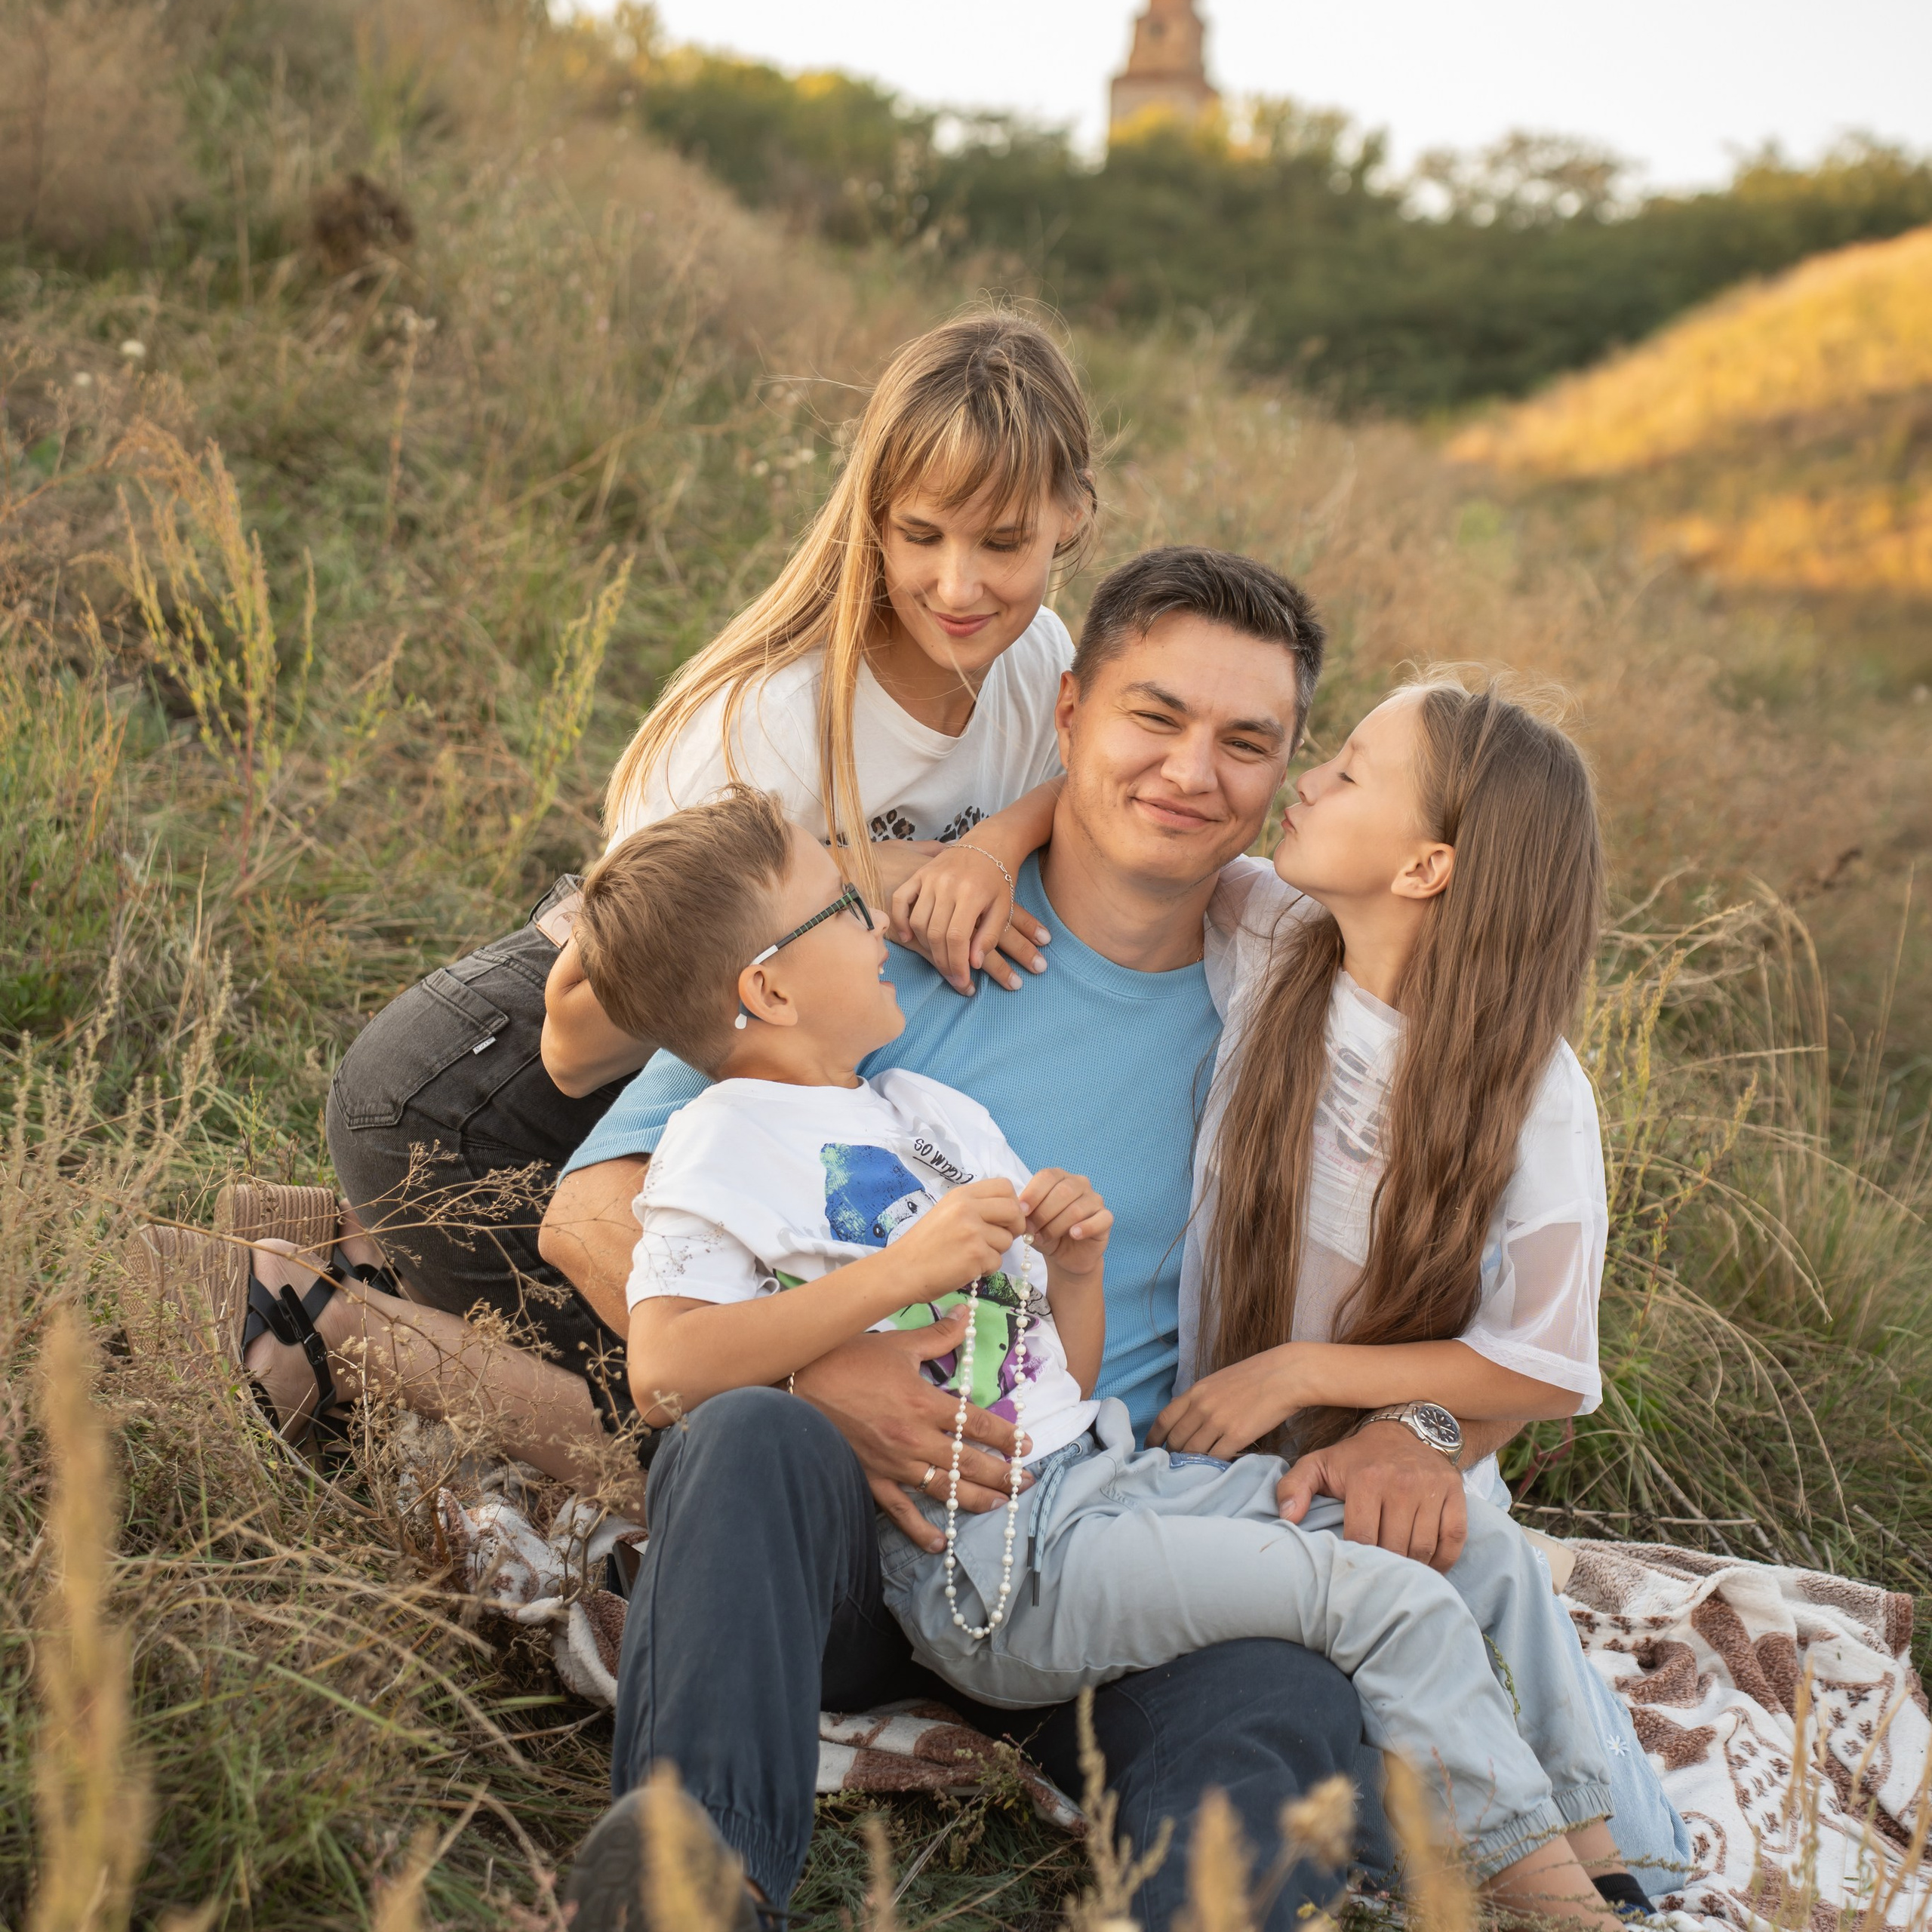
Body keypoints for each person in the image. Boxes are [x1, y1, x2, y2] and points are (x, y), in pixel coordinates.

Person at [545, 546, 1443, 1930]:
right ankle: (689, 1891)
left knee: (1283, 1697)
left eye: (1246, 742)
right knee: (743, 1441)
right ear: (1070, 709)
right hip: (865, 1533)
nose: (1192, 774)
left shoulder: (1298, 1000)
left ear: (1285, 774)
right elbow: (594, 1206)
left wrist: (1418, 1433)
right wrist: (814, 1374)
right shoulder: (863, 968)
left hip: (1104, 1535)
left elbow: (1473, 1267)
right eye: (1156, 717)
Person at [575, 779, 1638, 1932]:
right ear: (767, 985)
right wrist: (886, 1287)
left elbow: (1053, 1381)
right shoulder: (720, 1135)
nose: (874, 919)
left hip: (1095, 1485)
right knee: (1382, 1602)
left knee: (1464, 1545)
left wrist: (1072, 1271)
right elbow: (667, 1368)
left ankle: (1607, 1869)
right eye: (839, 906)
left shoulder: (930, 1113)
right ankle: (692, 1896)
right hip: (977, 1553)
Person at [318, 309, 1099, 1446]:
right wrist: (868, 875)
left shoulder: (1038, 663)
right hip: (490, 1093)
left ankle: (350, 1268)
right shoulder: (773, 717)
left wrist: (991, 843)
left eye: (1004, 542)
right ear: (871, 519)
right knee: (698, 1417)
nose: (958, 583)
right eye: (921, 534)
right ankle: (322, 1323)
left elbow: (1087, 784)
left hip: (711, 1102)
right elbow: (575, 1041)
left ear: (1073, 516)